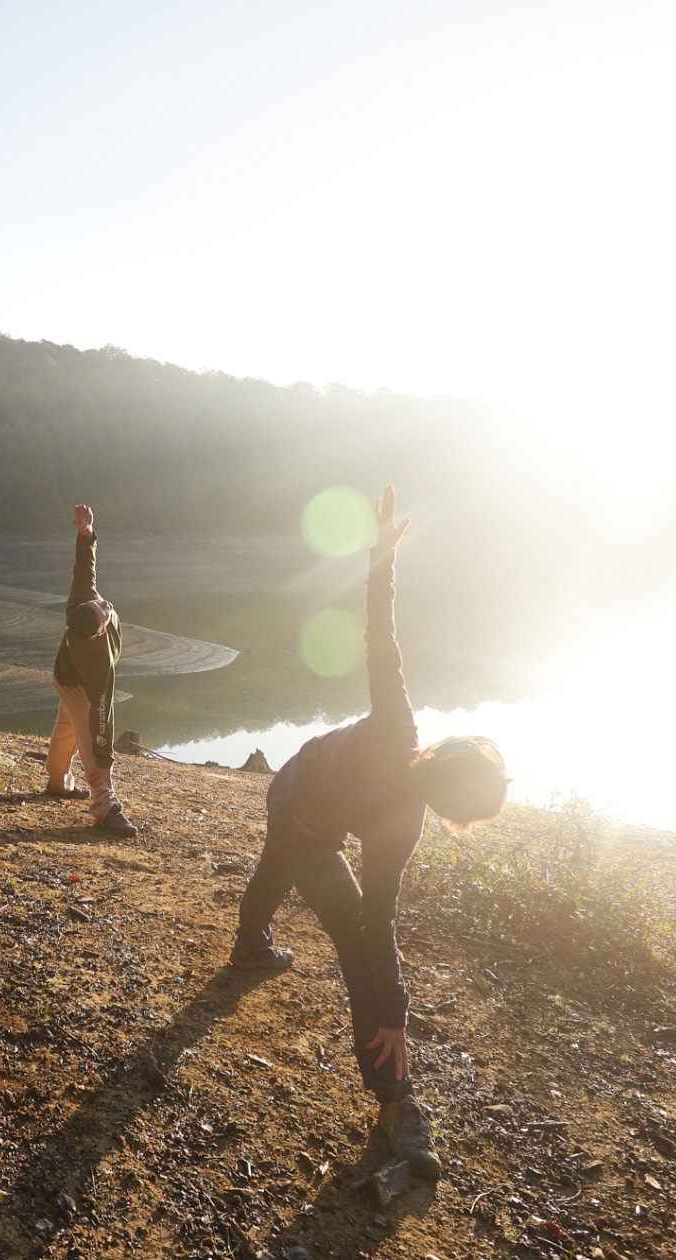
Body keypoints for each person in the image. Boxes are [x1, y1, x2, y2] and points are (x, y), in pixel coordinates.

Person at [228, 486, 509, 1182]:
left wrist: (396, 1012)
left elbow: (379, 920)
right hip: (295, 798)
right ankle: (395, 1097)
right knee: (281, 865)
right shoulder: (396, 737)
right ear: (450, 801)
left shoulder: (401, 816)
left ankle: (389, 1096)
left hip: (316, 818)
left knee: (331, 915)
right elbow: (380, 636)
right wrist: (380, 558)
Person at [45, 504, 138, 837]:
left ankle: (58, 784)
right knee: (89, 742)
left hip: (63, 675)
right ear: (98, 632)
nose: (105, 605)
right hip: (79, 687)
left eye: (99, 605)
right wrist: (104, 754)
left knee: (66, 728)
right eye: (103, 611)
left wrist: (85, 533)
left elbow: (85, 567)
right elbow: (102, 715)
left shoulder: (81, 601)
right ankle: (105, 807)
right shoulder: (97, 663)